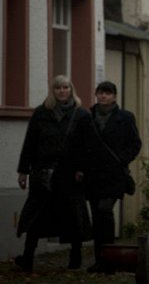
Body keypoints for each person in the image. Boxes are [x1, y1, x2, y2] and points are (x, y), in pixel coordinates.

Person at [15, 75, 93, 272]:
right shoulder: (41, 113)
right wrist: (23, 171)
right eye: (58, 88)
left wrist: (82, 169)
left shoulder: (81, 115)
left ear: (71, 89)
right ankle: (27, 257)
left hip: (70, 173)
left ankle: (75, 258)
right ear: (53, 91)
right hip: (43, 173)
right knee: (36, 216)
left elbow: (87, 146)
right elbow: (30, 144)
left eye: (65, 87)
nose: (62, 91)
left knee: (74, 217)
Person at [86, 81, 142, 273]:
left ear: (114, 96)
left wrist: (122, 159)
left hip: (114, 175)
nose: (104, 96)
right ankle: (99, 259)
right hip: (93, 175)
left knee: (105, 212)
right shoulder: (88, 116)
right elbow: (80, 143)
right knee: (97, 216)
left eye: (108, 93)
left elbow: (135, 143)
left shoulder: (124, 118)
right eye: (101, 93)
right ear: (96, 94)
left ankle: (109, 260)